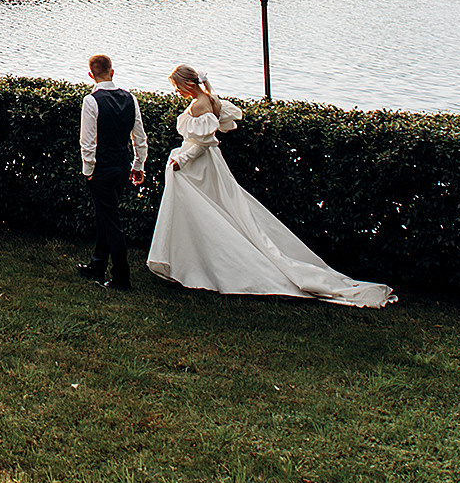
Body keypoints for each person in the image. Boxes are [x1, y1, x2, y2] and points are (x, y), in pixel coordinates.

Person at [146, 64, 394, 307]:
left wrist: (181, 159)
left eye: (177, 87)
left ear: (188, 84)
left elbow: (202, 143)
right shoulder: (211, 99)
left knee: (211, 213)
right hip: (209, 165)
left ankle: (210, 263)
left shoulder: (200, 105)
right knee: (221, 210)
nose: (176, 91)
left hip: (200, 167)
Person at [78, 54, 147, 291]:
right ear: (112, 72)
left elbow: (87, 142)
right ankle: (97, 264)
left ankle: (121, 277)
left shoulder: (91, 100)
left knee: (111, 222)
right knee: (104, 216)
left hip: (102, 170)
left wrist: (88, 171)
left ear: (90, 75)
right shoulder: (131, 99)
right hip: (121, 166)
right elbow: (140, 137)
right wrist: (138, 165)